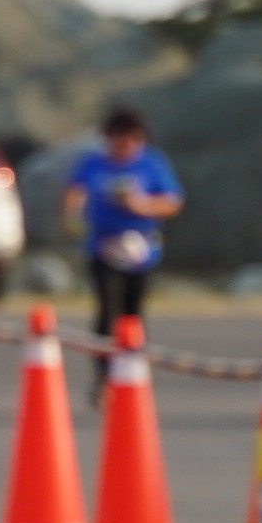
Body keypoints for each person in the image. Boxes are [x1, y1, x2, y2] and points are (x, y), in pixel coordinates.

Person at [63, 107, 182, 393]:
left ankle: (133, 374)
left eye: (132, 139)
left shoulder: (153, 164)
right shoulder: (94, 163)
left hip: (141, 247)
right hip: (104, 245)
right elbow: (76, 194)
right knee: (107, 310)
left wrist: (141, 205)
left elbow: (172, 201)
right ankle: (104, 376)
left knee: (133, 313)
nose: (125, 146)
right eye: (119, 139)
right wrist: (74, 220)